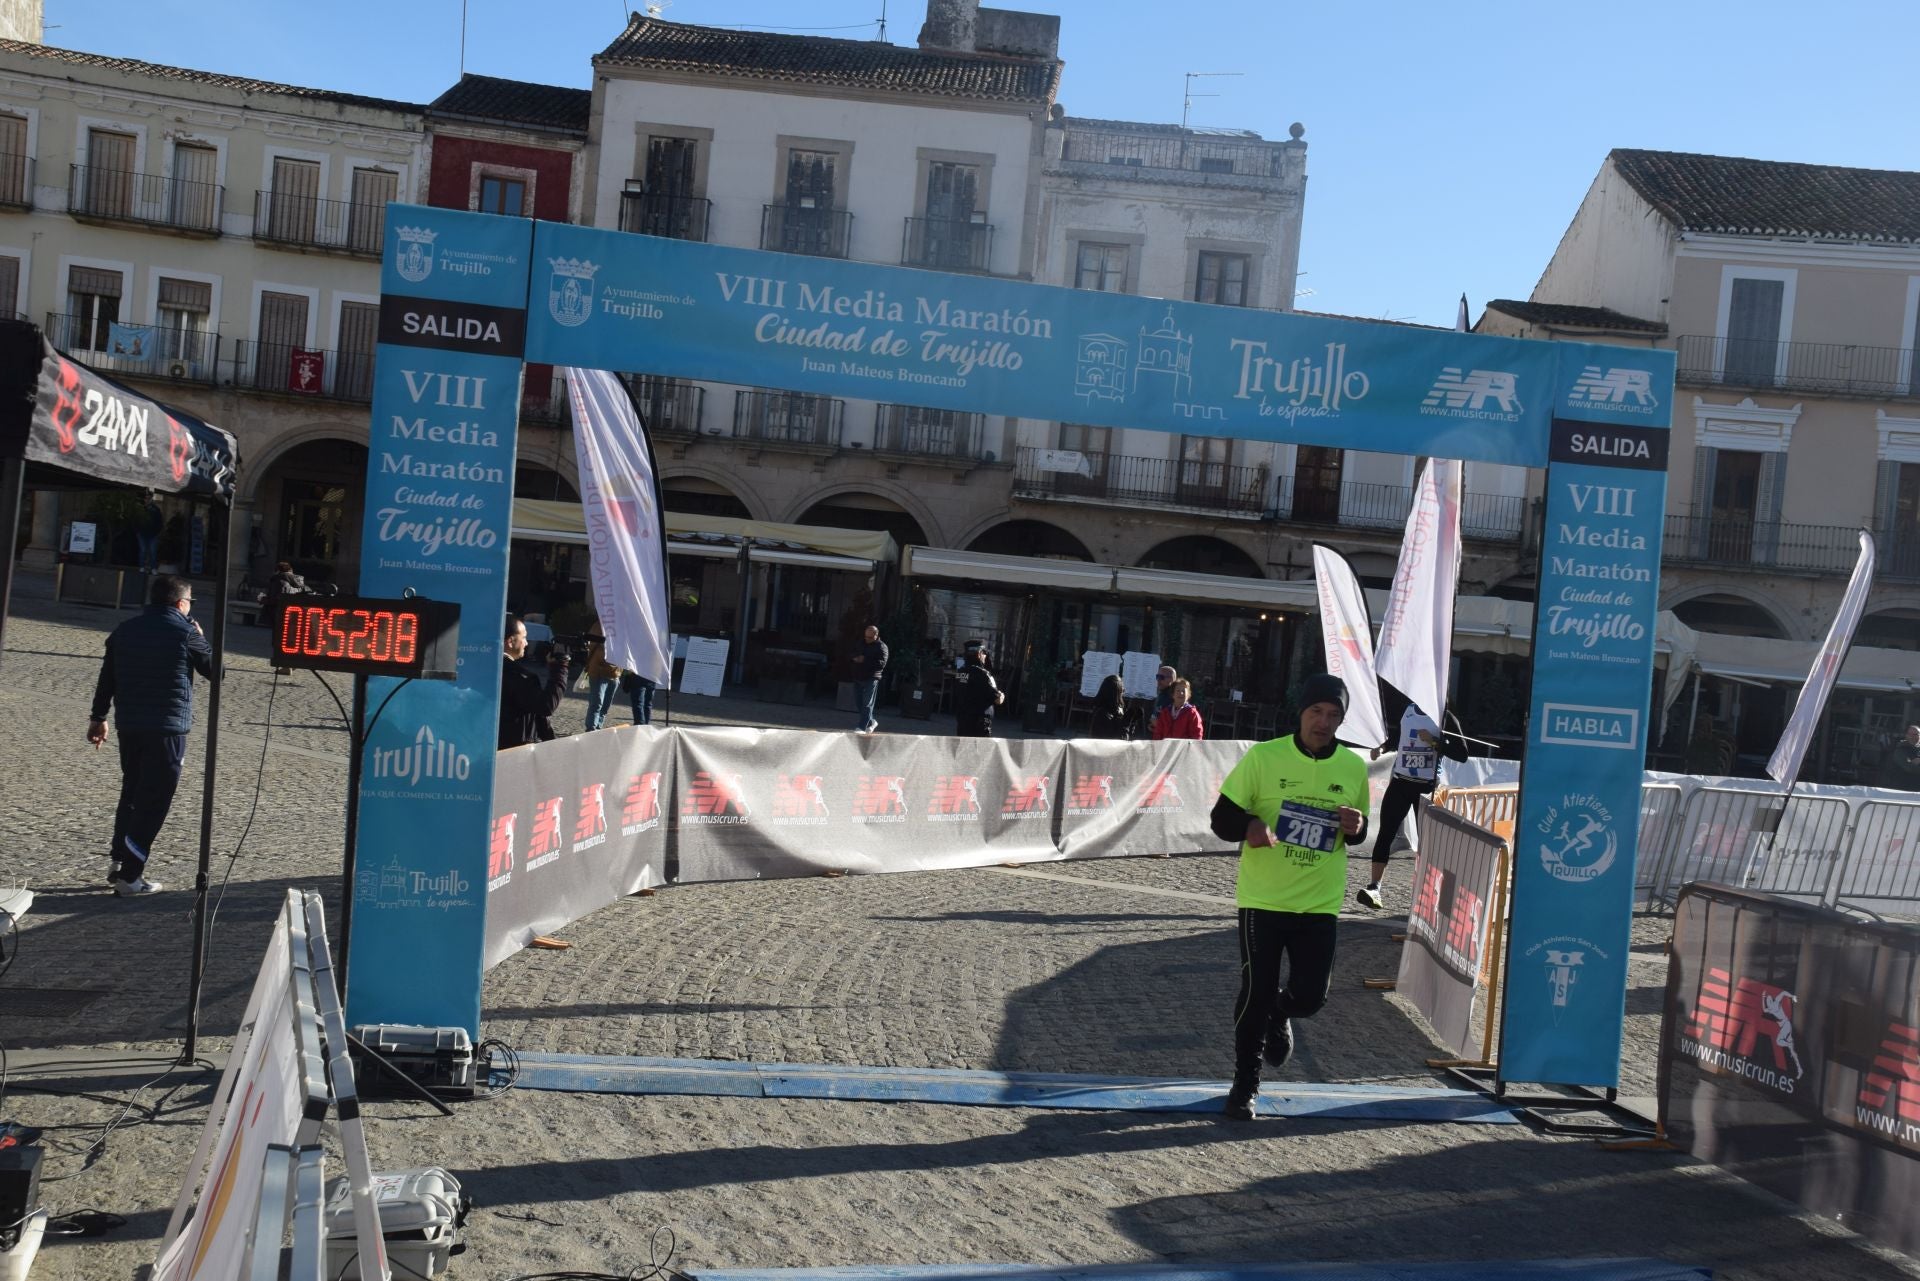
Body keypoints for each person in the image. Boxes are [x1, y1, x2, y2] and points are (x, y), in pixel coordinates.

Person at [1209, 673, 1370, 1120]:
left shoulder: (1353, 767)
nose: (1323, 722)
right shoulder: (1264, 757)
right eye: (1316, 711)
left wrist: (1358, 827)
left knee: (1311, 998)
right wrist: (1249, 826)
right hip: (1264, 899)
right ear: (1300, 712)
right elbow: (1221, 819)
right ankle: (1245, 1084)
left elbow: (1358, 831)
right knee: (1256, 991)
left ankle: (1282, 1012)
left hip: (1319, 902)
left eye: (1333, 715)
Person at [87, 574, 217, 896]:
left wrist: (98, 718)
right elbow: (216, 671)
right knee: (154, 801)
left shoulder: (125, 630)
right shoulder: (187, 632)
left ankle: (119, 862)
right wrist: (202, 639)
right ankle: (130, 877)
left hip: (129, 726)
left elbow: (107, 678)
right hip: (167, 730)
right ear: (181, 603)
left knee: (131, 794)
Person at [1357, 699, 1470, 910]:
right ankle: (1374, 888)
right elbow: (1398, 738)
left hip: (1426, 787)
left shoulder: (1444, 715)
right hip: (1400, 783)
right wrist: (1382, 748)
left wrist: (1434, 742)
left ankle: (1432, 895)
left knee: (1428, 843)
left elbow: (1462, 754)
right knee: (1385, 834)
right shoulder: (1408, 710)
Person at [500, 614, 567, 749]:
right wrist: (560, 668)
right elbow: (546, 706)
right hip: (515, 748)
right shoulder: (519, 676)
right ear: (510, 641)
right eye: (524, 638)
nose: (526, 643)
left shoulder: (486, 668)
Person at [952, 640, 1004, 738]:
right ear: (979, 654)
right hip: (979, 724)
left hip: (963, 721)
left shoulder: (960, 672)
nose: (985, 656)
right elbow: (997, 699)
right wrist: (1002, 695)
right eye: (984, 653)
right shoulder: (982, 674)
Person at [582, 617, 624, 732]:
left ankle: (598, 726)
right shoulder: (600, 625)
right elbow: (592, 645)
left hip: (615, 673)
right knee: (597, 703)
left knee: (605, 705)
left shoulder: (623, 627)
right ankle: (591, 728)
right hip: (599, 670)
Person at [852, 624, 888, 734]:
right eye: (866, 636)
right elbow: (852, 653)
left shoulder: (882, 647)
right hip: (858, 676)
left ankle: (862, 727)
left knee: (867, 703)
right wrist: (854, 658)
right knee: (858, 702)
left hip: (872, 677)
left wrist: (865, 660)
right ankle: (872, 722)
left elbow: (882, 664)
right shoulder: (860, 643)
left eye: (870, 637)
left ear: (876, 635)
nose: (867, 639)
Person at [1089, 673, 1133, 740]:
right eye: (1122, 688)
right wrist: (1126, 722)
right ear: (1114, 693)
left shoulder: (1116, 709)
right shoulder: (1103, 714)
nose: (1124, 690)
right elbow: (1118, 739)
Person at [1884, 725, 1920, 790]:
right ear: (1906, 735)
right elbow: (1909, 768)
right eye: (1910, 734)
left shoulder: (1918, 749)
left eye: (1915, 734)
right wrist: (1912, 764)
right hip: (1902, 787)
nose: (1912, 737)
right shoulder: (1901, 750)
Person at [136, 493, 164, 575]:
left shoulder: (156, 509)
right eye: (146, 498)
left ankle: (153, 568)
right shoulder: (141, 509)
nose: (147, 500)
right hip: (142, 533)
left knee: (153, 552)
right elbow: (136, 520)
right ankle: (142, 567)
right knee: (143, 551)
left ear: (151, 499)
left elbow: (160, 522)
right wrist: (137, 531)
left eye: (149, 498)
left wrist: (157, 532)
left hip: (152, 534)